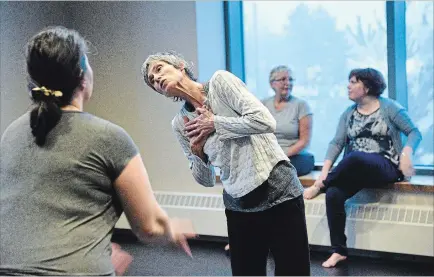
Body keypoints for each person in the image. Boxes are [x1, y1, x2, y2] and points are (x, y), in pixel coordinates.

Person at [0, 26, 195, 276]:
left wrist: (91, 246)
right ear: (83, 76)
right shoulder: (109, 137)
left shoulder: (12, 132)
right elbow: (150, 226)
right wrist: (174, 228)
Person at [141, 51, 311, 276]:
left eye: (159, 69)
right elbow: (206, 180)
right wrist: (197, 151)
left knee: (293, 272)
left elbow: (265, 121)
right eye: (152, 81)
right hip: (238, 203)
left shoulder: (220, 82)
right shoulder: (180, 124)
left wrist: (215, 123)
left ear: (180, 66)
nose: (157, 79)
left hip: (279, 191)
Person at [303, 68, 422, 268]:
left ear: (366, 87)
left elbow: (414, 132)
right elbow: (336, 144)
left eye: (353, 82)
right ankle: (339, 250)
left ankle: (322, 185)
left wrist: (406, 154)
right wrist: (323, 173)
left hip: (386, 166)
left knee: (356, 157)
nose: (348, 86)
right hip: (357, 168)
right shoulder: (348, 113)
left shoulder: (390, 108)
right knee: (334, 194)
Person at [262, 65, 315, 176]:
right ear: (272, 84)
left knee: (278, 169)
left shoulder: (301, 105)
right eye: (283, 79)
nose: (288, 83)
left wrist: (280, 155)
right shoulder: (263, 105)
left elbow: (304, 141)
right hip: (269, 157)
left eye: (290, 79)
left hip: (295, 156)